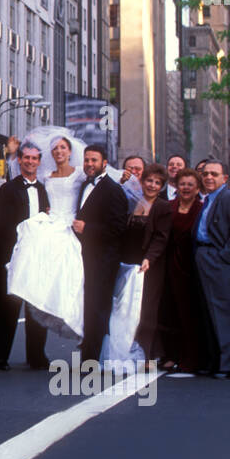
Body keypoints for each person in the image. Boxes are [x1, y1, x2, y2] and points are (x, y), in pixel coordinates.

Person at [6, 131, 88, 341]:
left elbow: (98, 184)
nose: (59, 151)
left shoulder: (80, 174)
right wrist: (14, 155)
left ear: (70, 151)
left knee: (68, 273)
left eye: (63, 147)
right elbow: (23, 173)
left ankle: (67, 313)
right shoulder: (46, 176)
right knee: (36, 266)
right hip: (50, 223)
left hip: (69, 226)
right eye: (55, 149)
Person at [0, 142, 52, 369]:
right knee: (9, 306)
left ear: (39, 161)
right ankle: (0, 356)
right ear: (20, 160)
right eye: (26, 157)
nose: (30, 162)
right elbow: (3, 225)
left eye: (34, 158)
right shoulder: (9, 189)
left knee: (36, 305)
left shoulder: (44, 190)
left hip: (38, 254)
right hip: (15, 253)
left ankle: (36, 356)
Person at [72, 144, 130, 361]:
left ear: (105, 163)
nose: (89, 164)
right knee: (88, 305)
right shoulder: (84, 185)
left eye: (94, 160)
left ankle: (94, 358)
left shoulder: (113, 190)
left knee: (98, 307)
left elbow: (118, 228)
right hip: (86, 256)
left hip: (104, 259)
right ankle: (90, 353)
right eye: (86, 160)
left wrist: (87, 229)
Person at [193, 158, 230, 378]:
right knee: (207, 313)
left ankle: (229, 364)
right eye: (205, 174)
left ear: (224, 178)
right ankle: (214, 361)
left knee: (224, 313)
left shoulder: (229, 198)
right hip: (203, 257)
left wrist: (225, 257)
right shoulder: (208, 199)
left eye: (214, 174)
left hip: (218, 260)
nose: (208, 177)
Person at [150, 168, 204, 372]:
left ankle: (190, 358)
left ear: (197, 188)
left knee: (190, 313)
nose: (186, 188)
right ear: (176, 186)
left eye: (191, 184)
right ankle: (170, 355)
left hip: (192, 266)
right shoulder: (167, 206)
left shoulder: (202, 208)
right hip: (167, 265)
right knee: (168, 311)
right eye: (183, 184)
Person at [126, 165, 173, 365]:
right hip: (128, 261)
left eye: (157, 182)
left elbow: (162, 238)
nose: (152, 185)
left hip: (151, 265)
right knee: (127, 308)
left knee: (147, 309)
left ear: (161, 186)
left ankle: (147, 354)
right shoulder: (132, 201)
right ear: (142, 181)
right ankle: (127, 349)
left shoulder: (163, 207)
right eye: (149, 180)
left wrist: (149, 259)